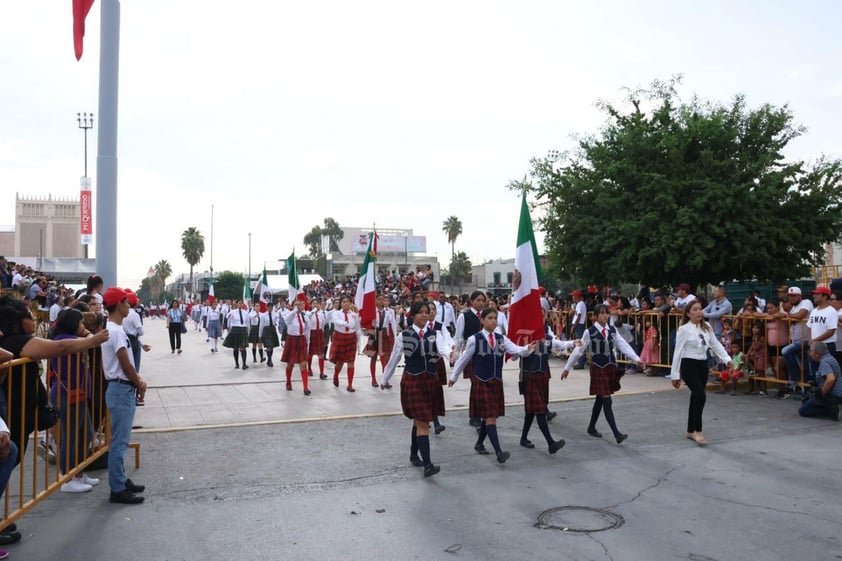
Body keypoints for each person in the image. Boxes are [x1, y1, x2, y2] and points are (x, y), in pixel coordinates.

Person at [449, 308, 536, 464]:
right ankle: (499, 452)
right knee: (490, 417)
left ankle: (479, 443)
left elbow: (516, 349)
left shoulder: (501, 338)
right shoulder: (474, 339)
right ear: (482, 321)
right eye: (489, 318)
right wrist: (454, 376)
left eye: (495, 318)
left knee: (490, 416)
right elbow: (464, 359)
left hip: (496, 381)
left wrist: (527, 349)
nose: (493, 321)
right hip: (481, 381)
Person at [562, 305, 644, 444]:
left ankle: (591, 427)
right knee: (607, 399)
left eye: (606, 313)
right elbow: (578, 350)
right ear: (595, 317)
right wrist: (567, 367)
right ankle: (617, 434)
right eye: (601, 314)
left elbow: (622, 344)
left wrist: (637, 358)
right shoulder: (590, 331)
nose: (605, 316)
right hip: (598, 368)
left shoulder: (612, 330)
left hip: (610, 367)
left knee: (600, 399)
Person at [380, 301, 445, 477]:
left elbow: (444, 349)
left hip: (431, 380)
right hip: (413, 381)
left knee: (421, 420)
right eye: (421, 312)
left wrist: (452, 354)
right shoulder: (404, 336)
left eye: (427, 312)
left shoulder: (434, 334)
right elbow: (394, 358)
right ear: (413, 316)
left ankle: (413, 453)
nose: (425, 315)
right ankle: (428, 465)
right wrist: (384, 378)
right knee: (423, 422)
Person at [100, 287, 147, 504]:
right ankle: (117, 489)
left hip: (119, 388)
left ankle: (120, 480)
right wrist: (138, 382)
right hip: (121, 388)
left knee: (120, 439)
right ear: (119, 304)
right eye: (127, 303)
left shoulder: (113, 328)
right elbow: (125, 363)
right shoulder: (117, 332)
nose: (130, 306)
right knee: (119, 441)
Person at [49, 308, 100, 493]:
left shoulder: (72, 338)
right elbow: (91, 341)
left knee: (86, 433)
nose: (83, 326)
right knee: (70, 437)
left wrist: (88, 334)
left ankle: (78, 471)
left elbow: (89, 339)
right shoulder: (63, 339)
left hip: (78, 393)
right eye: (80, 322)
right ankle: (67, 477)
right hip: (66, 393)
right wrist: (91, 336)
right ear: (71, 323)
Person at [670, 300, 732, 446]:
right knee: (700, 395)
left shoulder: (707, 327)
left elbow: (715, 344)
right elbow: (678, 352)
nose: (699, 312)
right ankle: (698, 430)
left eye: (700, 309)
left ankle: (690, 430)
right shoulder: (684, 329)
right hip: (688, 364)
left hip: (702, 364)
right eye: (695, 309)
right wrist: (675, 375)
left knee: (695, 397)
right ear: (688, 313)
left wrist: (727, 359)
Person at [518, 323, 577, 454]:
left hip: (542, 376)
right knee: (539, 410)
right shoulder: (525, 336)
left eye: (542, 315)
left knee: (531, 411)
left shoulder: (547, 337)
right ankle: (551, 443)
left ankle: (523, 438)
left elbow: (559, 344)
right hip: (530, 377)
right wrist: (526, 348)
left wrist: (573, 342)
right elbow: (516, 354)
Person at [453, 291, 487, 427]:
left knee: (482, 384)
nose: (480, 303)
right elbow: (459, 336)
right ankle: (474, 415)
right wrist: (458, 355)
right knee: (476, 385)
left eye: (482, 300)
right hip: (471, 354)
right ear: (471, 301)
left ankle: (480, 413)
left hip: (484, 354)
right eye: (478, 300)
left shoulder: (486, 316)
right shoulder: (464, 316)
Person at [779, 286, 813, 396]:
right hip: (796, 339)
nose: (792, 298)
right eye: (790, 296)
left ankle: (794, 378)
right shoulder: (793, 308)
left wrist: (790, 316)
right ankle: (805, 389)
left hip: (806, 339)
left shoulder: (806, 302)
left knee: (785, 351)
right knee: (803, 365)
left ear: (800, 296)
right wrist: (791, 316)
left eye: (794, 296)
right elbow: (792, 320)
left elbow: (800, 315)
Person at [798, 341, 841, 421]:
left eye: (811, 351)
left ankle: (830, 410)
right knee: (805, 400)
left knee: (803, 411)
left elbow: (831, 379)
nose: (810, 354)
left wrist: (821, 393)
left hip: (832, 395)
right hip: (837, 393)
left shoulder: (825, 363)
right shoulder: (830, 358)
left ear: (818, 353)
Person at [328, 296, 360, 392]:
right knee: (340, 362)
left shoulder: (354, 315)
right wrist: (345, 323)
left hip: (351, 339)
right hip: (340, 338)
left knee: (351, 361)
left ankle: (350, 385)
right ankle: (336, 375)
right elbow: (336, 321)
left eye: (348, 302)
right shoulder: (336, 313)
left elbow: (357, 329)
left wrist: (359, 343)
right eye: (344, 302)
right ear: (341, 304)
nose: (346, 303)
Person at [282, 295, 311, 395]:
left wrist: (307, 341)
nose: (298, 306)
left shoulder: (303, 316)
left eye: (300, 304)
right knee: (290, 364)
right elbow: (287, 320)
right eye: (296, 304)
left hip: (301, 340)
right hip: (292, 339)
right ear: (292, 306)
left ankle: (305, 387)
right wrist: (295, 310)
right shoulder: (289, 315)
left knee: (303, 364)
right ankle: (288, 381)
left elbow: (307, 329)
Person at [367, 293, 398, 387]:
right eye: (379, 299)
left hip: (383, 334)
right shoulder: (372, 311)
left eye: (382, 300)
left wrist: (393, 337)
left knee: (384, 358)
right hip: (373, 333)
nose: (381, 301)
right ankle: (373, 379)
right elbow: (367, 322)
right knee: (373, 357)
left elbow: (391, 325)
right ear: (375, 301)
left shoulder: (388, 313)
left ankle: (385, 379)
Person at [223, 300, 250, 369]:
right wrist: (229, 315)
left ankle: (244, 364)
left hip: (243, 330)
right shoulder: (233, 311)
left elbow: (247, 323)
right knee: (236, 348)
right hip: (235, 330)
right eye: (239, 303)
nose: (240, 305)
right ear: (237, 304)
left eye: (241, 303)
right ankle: (237, 363)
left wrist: (248, 331)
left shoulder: (245, 312)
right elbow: (227, 316)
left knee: (243, 347)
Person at [307, 298, 328, 379]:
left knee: (321, 354)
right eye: (313, 303)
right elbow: (307, 320)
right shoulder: (308, 313)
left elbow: (323, 324)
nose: (315, 305)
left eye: (317, 303)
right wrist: (313, 311)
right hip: (311, 333)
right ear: (311, 305)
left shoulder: (321, 314)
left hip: (319, 333)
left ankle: (322, 372)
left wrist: (321, 333)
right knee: (310, 353)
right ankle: (309, 369)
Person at [569, 289, 588, 369]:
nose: (572, 297)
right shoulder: (580, 304)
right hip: (579, 325)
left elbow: (579, 316)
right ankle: (580, 362)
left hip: (579, 325)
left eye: (573, 296)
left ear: (577, 296)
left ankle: (581, 363)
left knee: (579, 344)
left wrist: (574, 327)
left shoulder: (580, 304)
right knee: (579, 343)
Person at [260, 302, 280, 367]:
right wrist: (260, 335)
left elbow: (277, 320)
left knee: (271, 347)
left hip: (272, 330)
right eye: (269, 308)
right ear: (266, 307)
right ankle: (270, 360)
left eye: (271, 308)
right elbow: (261, 325)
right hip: (266, 330)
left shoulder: (275, 314)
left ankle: (269, 360)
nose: (270, 309)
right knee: (268, 346)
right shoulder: (263, 315)